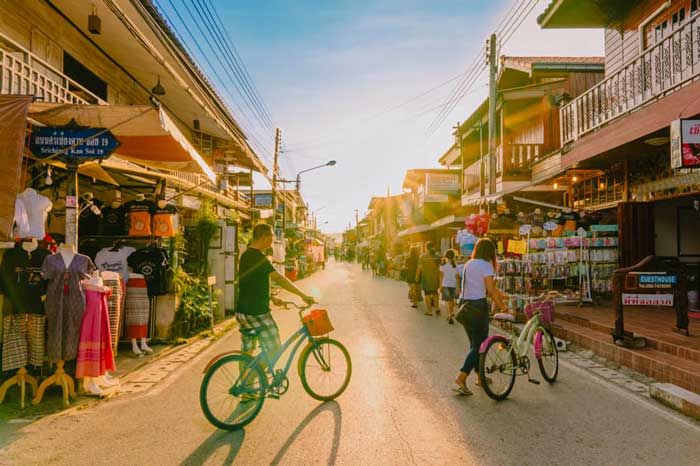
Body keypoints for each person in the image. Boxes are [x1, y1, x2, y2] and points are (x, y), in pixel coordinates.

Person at [236, 224, 315, 359]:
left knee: (246, 353)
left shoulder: (245, 255)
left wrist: (271, 297)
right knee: (275, 350)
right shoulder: (259, 257)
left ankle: (245, 379)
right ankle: (258, 374)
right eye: (272, 236)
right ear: (264, 237)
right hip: (257, 313)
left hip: (242, 311)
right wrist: (303, 295)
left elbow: (250, 282)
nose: (273, 239)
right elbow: (279, 278)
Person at [453, 238, 508, 396]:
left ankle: (480, 377)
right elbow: (490, 290)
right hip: (478, 307)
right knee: (479, 345)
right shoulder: (486, 265)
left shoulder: (470, 263)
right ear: (490, 252)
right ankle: (462, 377)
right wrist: (503, 307)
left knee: (475, 345)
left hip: (465, 306)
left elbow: (484, 288)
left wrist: (502, 296)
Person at [416, 241, 441, 316]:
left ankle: (429, 311)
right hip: (435, 278)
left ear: (426, 248)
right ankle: (437, 308)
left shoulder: (423, 257)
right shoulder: (437, 256)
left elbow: (419, 268)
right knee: (435, 292)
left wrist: (417, 276)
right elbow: (440, 268)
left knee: (427, 294)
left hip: (426, 278)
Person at [439, 249, 461, 324]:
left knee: (446, 301)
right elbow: (457, 277)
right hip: (453, 285)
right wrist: (458, 287)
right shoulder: (455, 266)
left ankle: (449, 315)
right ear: (453, 256)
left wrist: (440, 286)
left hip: (445, 285)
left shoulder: (443, 266)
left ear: (445, 256)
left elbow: (441, 277)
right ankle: (451, 314)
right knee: (451, 300)